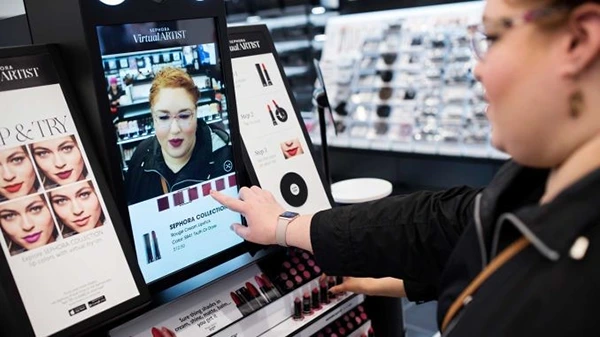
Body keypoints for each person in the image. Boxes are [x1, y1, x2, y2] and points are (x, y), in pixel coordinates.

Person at [212, 0, 600, 335]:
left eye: (494, 38)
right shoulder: (538, 186)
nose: (478, 69)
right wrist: (288, 227)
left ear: (578, 41)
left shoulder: (572, 289)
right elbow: (448, 221)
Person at [125, 67, 232, 205]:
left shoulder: (225, 158)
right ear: (153, 117)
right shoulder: (140, 156)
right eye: (163, 117)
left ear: (196, 112)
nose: (175, 129)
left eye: (184, 116)